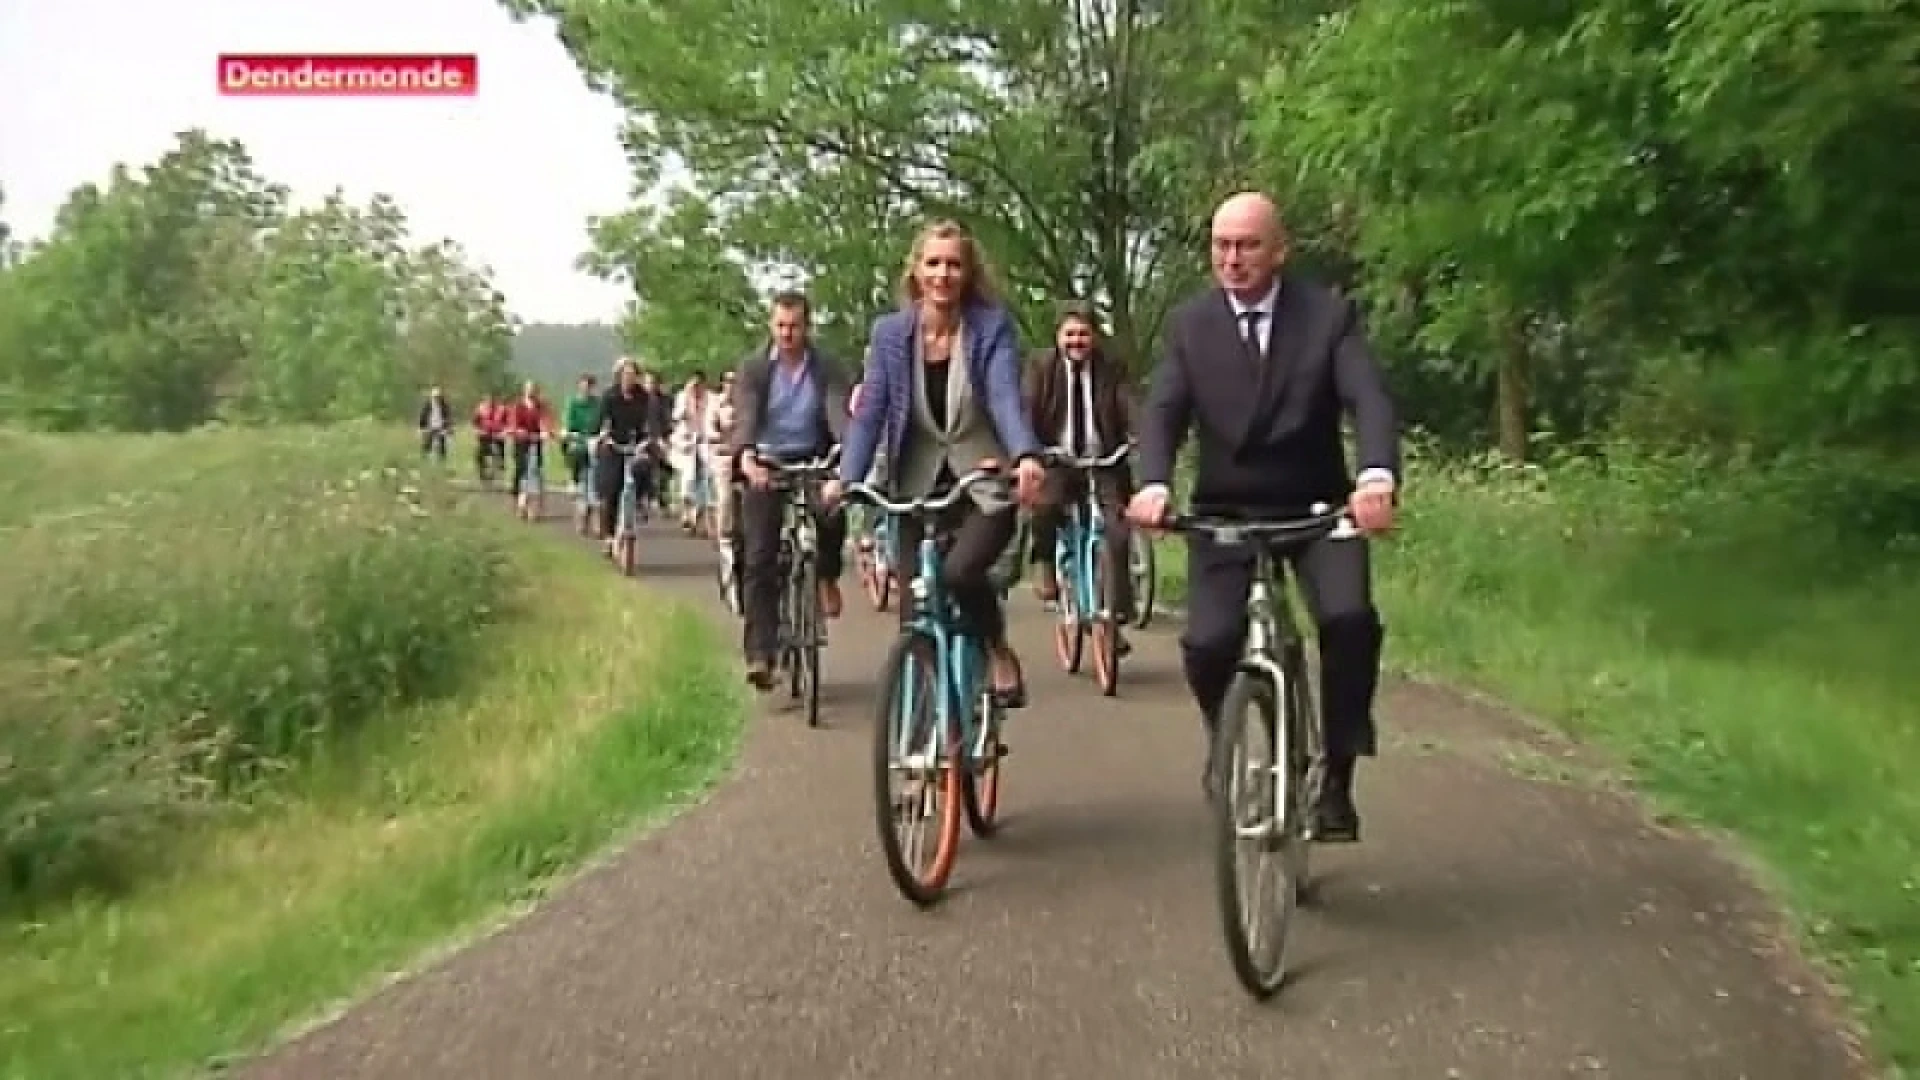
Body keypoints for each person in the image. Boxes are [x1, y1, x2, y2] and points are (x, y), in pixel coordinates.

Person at [1127, 191, 1400, 840]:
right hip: (1227, 510)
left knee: (1349, 620)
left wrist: (1376, 475)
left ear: (1280, 250)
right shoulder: (1191, 325)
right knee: (1206, 645)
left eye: (1248, 245)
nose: (1233, 259)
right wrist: (1155, 483)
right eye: (1221, 246)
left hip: (1316, 507)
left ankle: (1335, 775)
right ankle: (1229, 738)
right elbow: (1163, 411)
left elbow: (1369, 398)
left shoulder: (1328, 317)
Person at [825, 220, 1047, 707]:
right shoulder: (889, 334)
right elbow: (871, 413)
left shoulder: (990, 327)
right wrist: (846, 480)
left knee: (960, 575)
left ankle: (995, 649)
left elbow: (1007, 398)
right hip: (914, 484)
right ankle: (924, 738)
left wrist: (1026, 456)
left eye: (953, 264)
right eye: (933, 263)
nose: (943, 273)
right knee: (914, 612)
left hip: (983, 478)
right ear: (916, 271)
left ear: (967, 272)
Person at [728, 291, 853, 691]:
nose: (787, 334)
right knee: (760, 555)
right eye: (780, 326)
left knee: (832, 511)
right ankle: (761, 653)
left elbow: (839, 414)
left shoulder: (828, 367)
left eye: (795, 326)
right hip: (767, 462)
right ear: (771, 325)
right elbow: (745, 415)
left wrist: (846, 457)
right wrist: (746, 457)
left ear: (807, 326)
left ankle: (827, 575)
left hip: (815, 456)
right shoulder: (753, 369)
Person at [1025, 302, 1138, 634]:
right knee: (1045, 507)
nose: (1077, 341)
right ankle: (1044, 562)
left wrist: (1138, 435)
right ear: (1058, 337)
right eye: (1070, 334)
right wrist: (1028, 451)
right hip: (1057, 460)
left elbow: (1130, 405)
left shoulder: (1111, 368)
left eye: (1084, 334)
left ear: (1095, 337)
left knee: (1117, 531)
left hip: (1103, 461)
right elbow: (1026, 409)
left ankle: (1114, 615)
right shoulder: (1041, 368)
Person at [594, 360, 654, 552]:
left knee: (645, 465)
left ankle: (642, 499)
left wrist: (648, 439)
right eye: (625, 374)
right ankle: (609, 537)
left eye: (633, 375)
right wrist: (604, 435)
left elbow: (650, 422)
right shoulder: (609, 396)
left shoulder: (644, 397)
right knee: (610, 490)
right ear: (619, 376)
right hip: (614, 445)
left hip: (637, 444)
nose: (629, 378)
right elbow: (601, 421)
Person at [671, 370, 717, 534]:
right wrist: (686, 399)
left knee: (707, 478)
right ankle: (687, 514)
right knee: (688, 479)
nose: (697, 389)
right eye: (694, 385)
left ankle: (698, 516)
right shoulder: (682, 397)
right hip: (686, 443)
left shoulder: (712, 398)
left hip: (705, 442)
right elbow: (676, 417)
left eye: (699, 385)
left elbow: (714, 419)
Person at [505, 381, 553, 513]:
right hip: (521, 442)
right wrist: (518, 431)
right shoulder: (518, 406)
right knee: (521, 469)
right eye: (528, 389)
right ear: (524, 390)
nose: (530, 392)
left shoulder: (540, 406)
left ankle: (534, 502)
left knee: (536, 469)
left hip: (536, 442)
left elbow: (545, 420)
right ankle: (517, 496)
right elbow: (513, 422)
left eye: (533, 390)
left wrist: (546, 431)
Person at [561, 373, 602, 496]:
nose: (586, 389)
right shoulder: (572, 402)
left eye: (589, 386)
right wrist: (572, 434)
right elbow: (568, 424)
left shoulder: (597, 403)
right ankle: (573, 478)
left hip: (593, 437)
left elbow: (602, 421)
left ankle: (596, 486)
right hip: (577, 436)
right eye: (583, 386)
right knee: (574, 449)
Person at [418, 386, 453, 461]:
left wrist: (448, 428)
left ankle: (442, 460)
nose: (436, 398)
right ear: (432, 397)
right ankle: (424, 459)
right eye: (435, 397)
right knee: (427, 445)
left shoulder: (444, 405)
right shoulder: (428, 405)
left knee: (442, 446)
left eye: (438, 396)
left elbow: (448, 416)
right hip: (430, 427)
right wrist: (421, 428)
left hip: (440, 427)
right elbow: (423, 415)